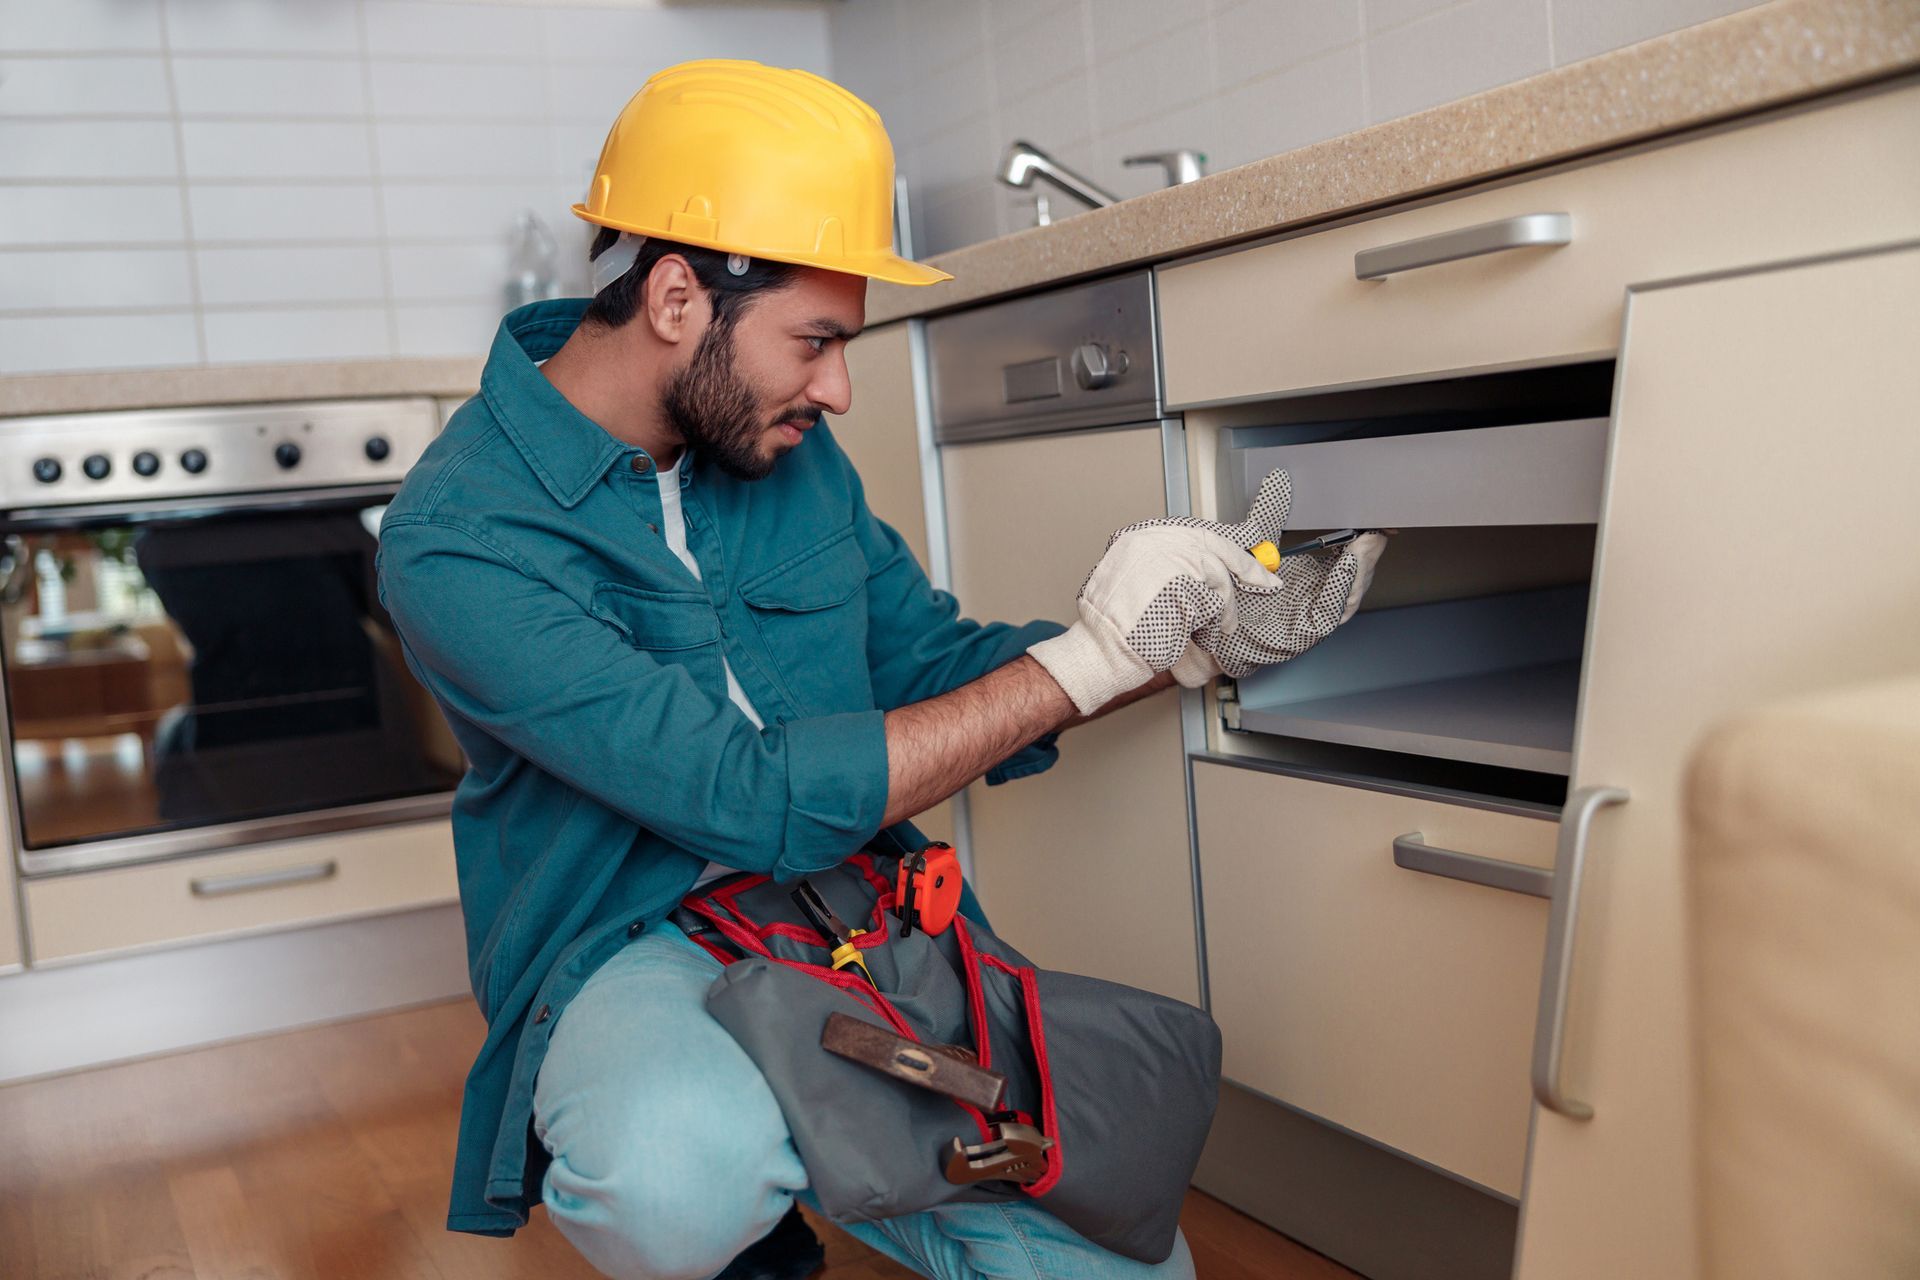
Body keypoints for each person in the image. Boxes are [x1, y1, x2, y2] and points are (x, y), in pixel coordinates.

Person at [379, 60, 1354, 1280]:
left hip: (856, 919)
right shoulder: (461, 537)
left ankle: (836, 1123)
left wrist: (1182, 640)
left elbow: (936, 665)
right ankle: (759, 1207)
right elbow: (738, 794)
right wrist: (1088, 664)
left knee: (1139, 1272)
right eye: (817, 340)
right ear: (678, 296)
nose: (836, 388)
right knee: (674, 1176)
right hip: (628, 936)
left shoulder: (791, 455)